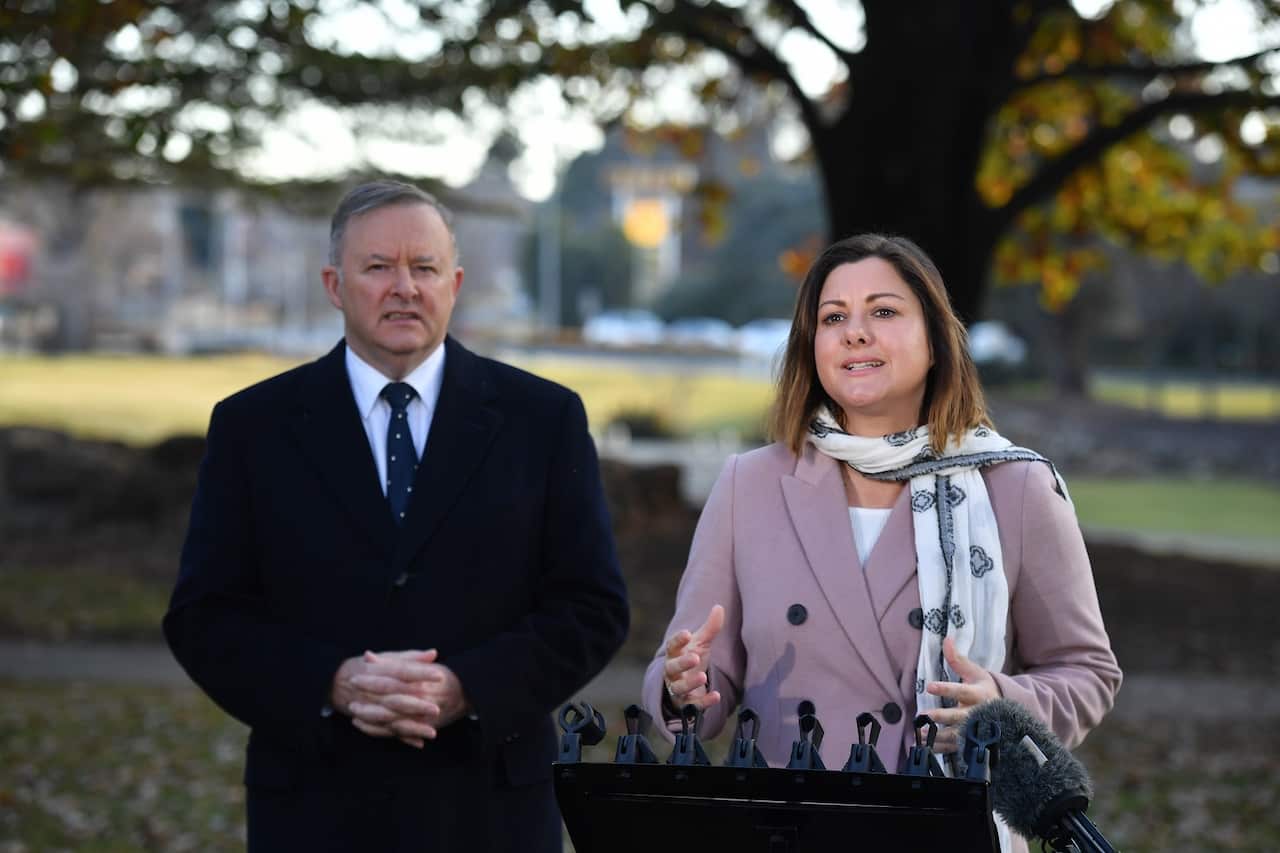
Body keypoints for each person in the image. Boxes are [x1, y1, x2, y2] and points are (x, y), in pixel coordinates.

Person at [165, 179, 629, 853]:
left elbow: (593, 606)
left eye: (425, 266)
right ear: (334, 283)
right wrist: (332, 682)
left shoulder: (544, 420)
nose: (404, 286)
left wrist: (468, 687)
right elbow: (204, 615)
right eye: (378, 266)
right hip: (314, 807)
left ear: (456, 281)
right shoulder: (251, 427)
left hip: (489, 807)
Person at [642, 234, 1120, 853]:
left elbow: (1088, 672)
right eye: (833, 317)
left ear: (935, 340)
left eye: (884, 311)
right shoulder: (749, 485)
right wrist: (681, 685)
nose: (855, 332)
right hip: (787, 831)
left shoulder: (1016, 486)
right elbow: (693, 685)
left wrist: (1002, 702)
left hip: (951, 829)